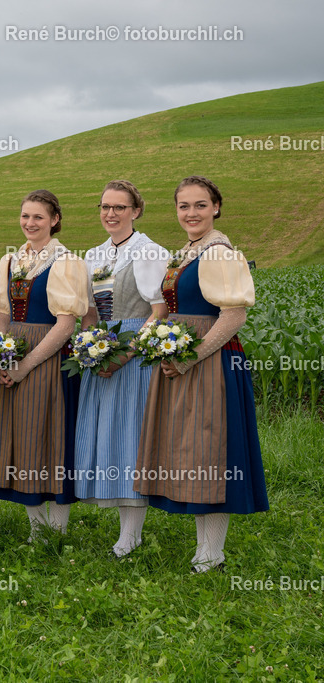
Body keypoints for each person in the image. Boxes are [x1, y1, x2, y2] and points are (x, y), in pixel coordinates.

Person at [134, 175, 268, 573]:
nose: (191, 213)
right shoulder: (188, 252)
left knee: (211, 450)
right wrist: (150, 345)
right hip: (180, 359)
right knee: (191, 450)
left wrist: (193, 356)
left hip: (211, 363)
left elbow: (234, 315)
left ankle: (213, 553)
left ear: (216, 207)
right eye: (184, 206)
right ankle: (204, 548)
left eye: (200, 205)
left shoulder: (221, 252)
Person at [0, 190, 89, 542]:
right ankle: (37, 528)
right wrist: (1, 352)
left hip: (48, 357)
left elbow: (66, 324)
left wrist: (26, 365)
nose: (30, 223)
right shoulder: (10, 260)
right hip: (13, 353)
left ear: (55, 220)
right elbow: (2, 313)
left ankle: (57, 529)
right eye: (25, 216)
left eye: (38, 218)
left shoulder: (66, 261)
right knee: (19, 439)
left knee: (50, 438)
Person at [74, 181, 169, 557]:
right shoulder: (94, 254)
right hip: (101, 348)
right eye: (104, 207)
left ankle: (131, 535)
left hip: (135, 350)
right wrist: (90, 347)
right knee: (108, 433)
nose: (110, 214)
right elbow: (91, 312)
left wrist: (125, 353)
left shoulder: (150, 251)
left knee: (130, 435)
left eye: (119, 207)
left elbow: (159, 311)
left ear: (136, 211)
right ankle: (123, 528)